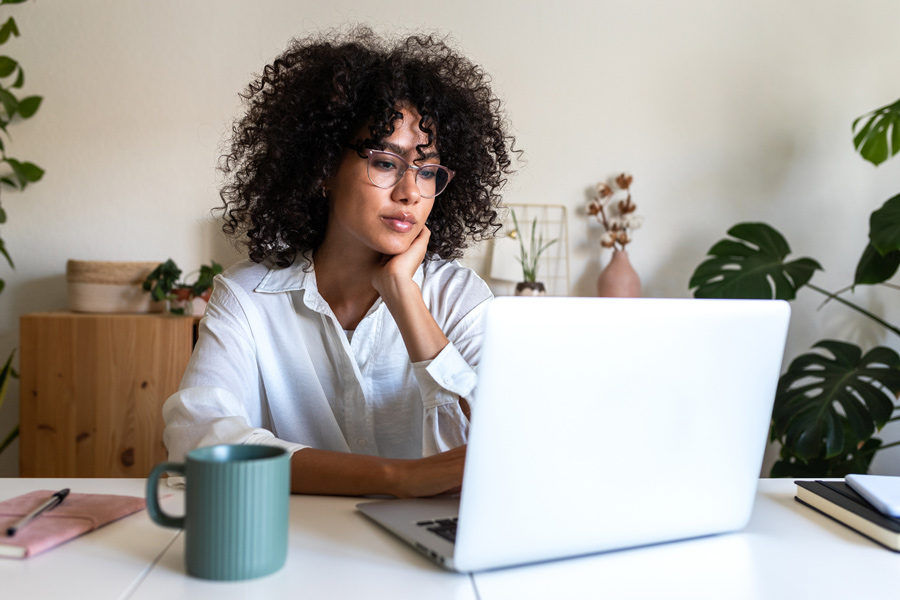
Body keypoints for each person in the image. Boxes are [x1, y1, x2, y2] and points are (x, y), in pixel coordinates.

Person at [162, 27, 517, 497]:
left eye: (427, 170)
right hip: (297, 551)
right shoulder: (247, 298)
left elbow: (501, 452)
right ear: (324, 167)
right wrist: (397, 478)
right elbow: (198, 443)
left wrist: (405, 299)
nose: (410, 191)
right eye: (386, 162)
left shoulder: (459, 298)